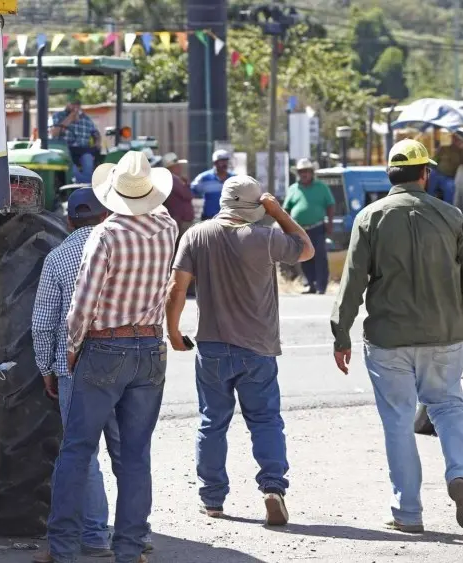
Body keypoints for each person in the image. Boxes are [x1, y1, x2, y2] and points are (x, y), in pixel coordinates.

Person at [39, 151, 177, 563]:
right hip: (151, 348)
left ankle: (63, 548)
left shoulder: (106, 235)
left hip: (104, 347)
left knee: (77, 450)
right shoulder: (168, 227)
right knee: (135, 455)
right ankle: (130, 548)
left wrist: (71, 349)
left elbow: (81, 308)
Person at [331, 139, 463, 533]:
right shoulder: (451, 216)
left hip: (389, 339)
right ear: (425, 174)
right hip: (445, 333)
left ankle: (408, 512)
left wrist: (341, 334)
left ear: (391, 175)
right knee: (448, 407)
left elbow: (352, 283)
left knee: (399, 421)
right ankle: (459, 471)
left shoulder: (370, 218)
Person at [166, 175, 313, 527]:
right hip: (258, 347)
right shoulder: (266, 237)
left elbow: (176, 288)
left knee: (211, 422)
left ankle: (213, 499)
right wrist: (278, 212)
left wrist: (172, 331)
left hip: (212, 347)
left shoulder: (196, 235)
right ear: (255, 207)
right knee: (264, 420)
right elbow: (306, 249)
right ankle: (273, 487)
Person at [32, 182, 124, 559]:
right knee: (128, 452)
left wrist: (46, 368)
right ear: (105, 215)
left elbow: (42, 322)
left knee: (82, 454)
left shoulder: (57, 257)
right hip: (126, 362)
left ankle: (94, 535)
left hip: (75, 366)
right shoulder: (126, 250)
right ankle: (135, 533)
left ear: (68, 220)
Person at [283, 158, 335, 294]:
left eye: (306, 171)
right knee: (304, 257)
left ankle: (321, 286)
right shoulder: (293, 189)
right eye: (301, 171)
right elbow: (286, 209)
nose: (304, 174)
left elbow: (330, 205)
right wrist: (286, 226)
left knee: (320, 257)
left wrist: (329, 223)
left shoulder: (321, 187)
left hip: (317, 227)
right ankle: (310, 284)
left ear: (312, 172)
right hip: (299, 229)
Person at [50, 93, 102, 184]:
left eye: (78, 104)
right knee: (72, 168)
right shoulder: (57, 116)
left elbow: (96, 133)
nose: (76, 106)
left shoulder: (86, 119)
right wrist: (69, 119)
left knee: (88, 160)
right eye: (73, 104)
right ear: (67, 103)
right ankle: (77, 185)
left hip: (83, 150)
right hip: (65, 150)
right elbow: (53, 133)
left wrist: (97, 141)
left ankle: (87, 185)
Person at [160, 152, 195, 249]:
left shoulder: (173, 178)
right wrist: (186, 184)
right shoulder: (173, 178)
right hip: (181, 221)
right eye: (177, 166)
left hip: (179, 220)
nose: (180, 167)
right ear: (172, 167)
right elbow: (188, 195)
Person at [191, 150, 234, 220]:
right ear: (215, 163)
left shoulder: (234, 178)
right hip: (209, 218)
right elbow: (190, 192)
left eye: (226, 161)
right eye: (222, 161)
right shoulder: (203, 178)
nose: (225, 163)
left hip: (229, 218)